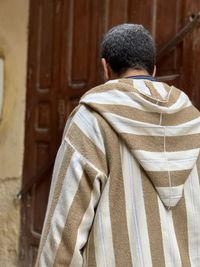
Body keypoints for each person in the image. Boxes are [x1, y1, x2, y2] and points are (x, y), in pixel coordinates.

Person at [35, 24, 200, 266]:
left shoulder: (91, 120)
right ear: (153, 69)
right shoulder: (193, 123)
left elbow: (63, 233)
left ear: (105, 68)